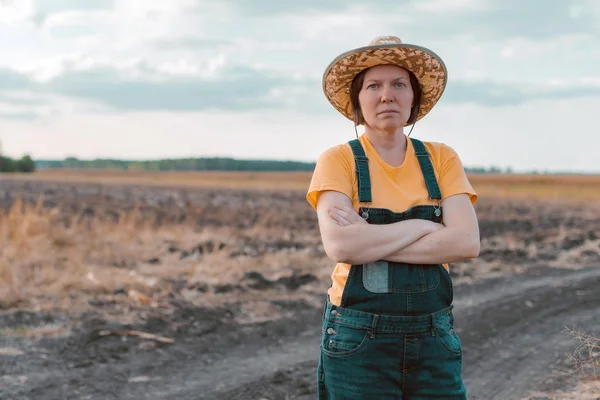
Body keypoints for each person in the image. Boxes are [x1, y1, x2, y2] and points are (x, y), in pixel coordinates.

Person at [306, 36, 480, 399]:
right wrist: (423, 227)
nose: (387, 95)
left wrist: (371, 240)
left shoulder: (441, 158)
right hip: (357, 338)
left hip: (434, 336)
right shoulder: (339, 160)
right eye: (374, 85)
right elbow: (341, 245)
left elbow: (465, 242)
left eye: (399, 84)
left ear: (413, 98)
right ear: (358, 100)